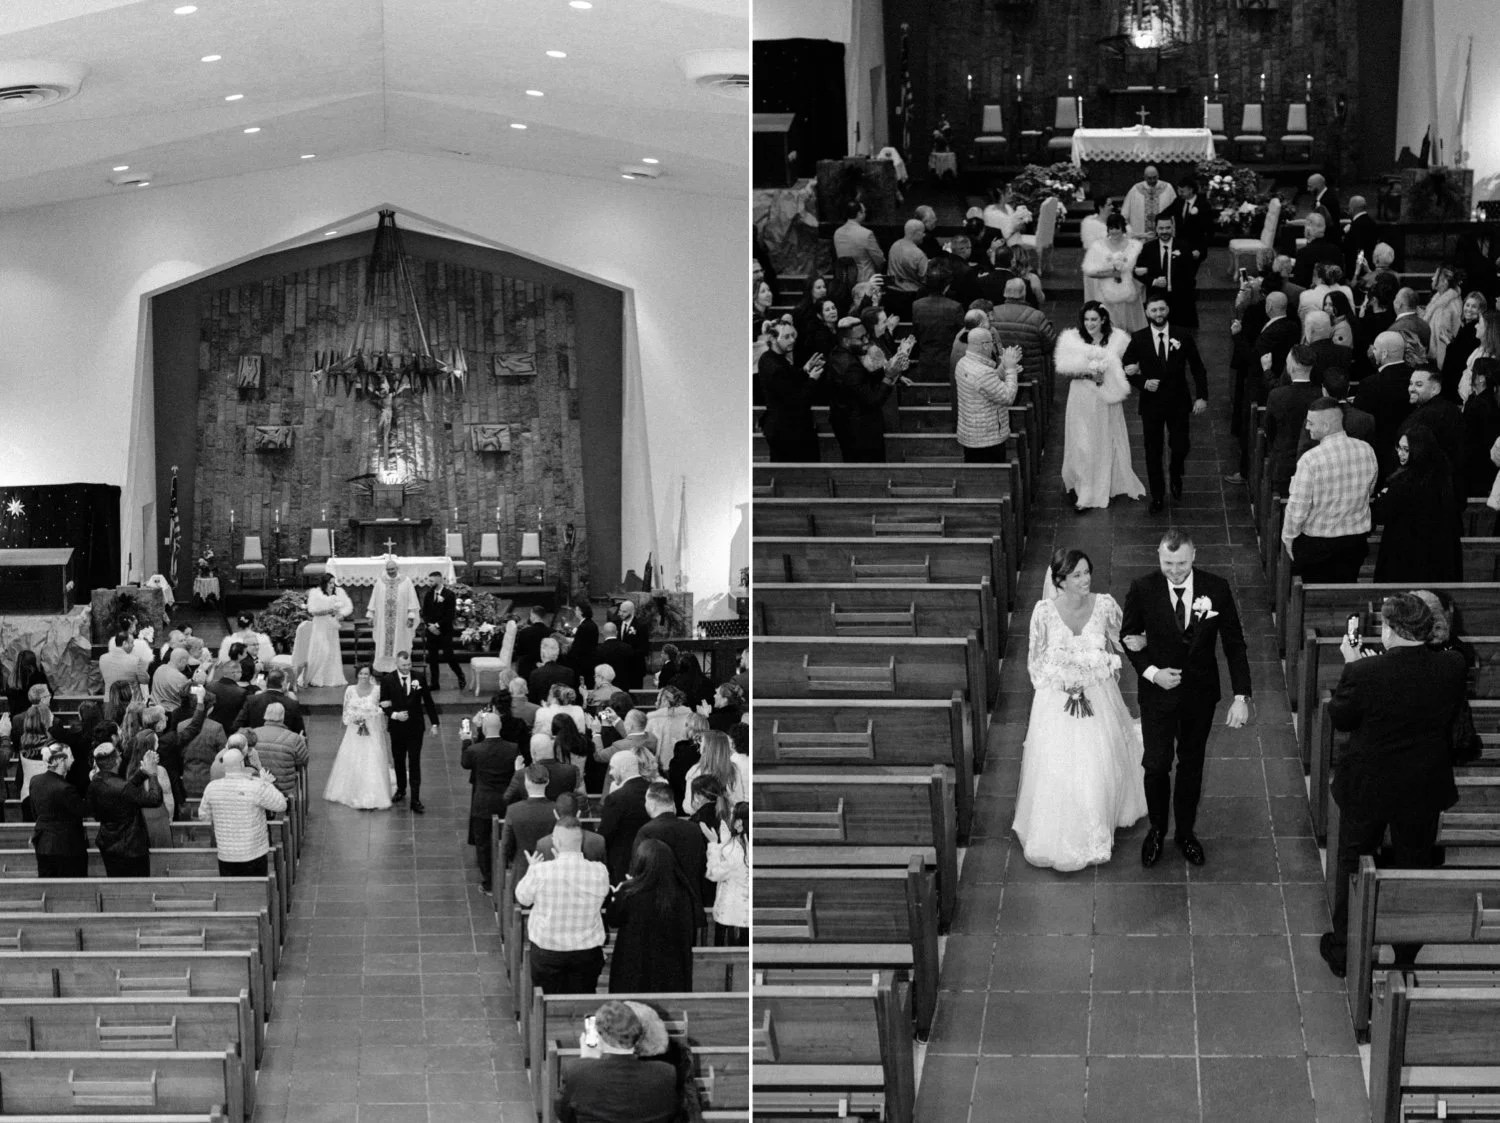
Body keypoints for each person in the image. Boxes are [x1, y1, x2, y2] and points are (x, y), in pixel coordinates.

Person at [1319, 593, 1465, 977]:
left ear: (1392, 630)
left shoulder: (1367, 673)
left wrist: (1352, 665)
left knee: (1353, 864)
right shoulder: (1452, 666)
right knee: (1412, 865)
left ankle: (1344, 951)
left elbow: (1342, 718)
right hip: (1422, 784)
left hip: (1370, 784)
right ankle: (1404, 955)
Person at [1121, 530, 1253, 867]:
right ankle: (1156, 830)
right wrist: (1152, 672)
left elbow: (1234, 644)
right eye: (1168, 563)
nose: (1175, 570)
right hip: (1157, 695)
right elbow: (1128, 637)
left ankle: (1185, 833)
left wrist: (1241, 696)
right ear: (1158, 556)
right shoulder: (1143, 588)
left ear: (1194, 556)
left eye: (1181, 563)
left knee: (1192, 765)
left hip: (1199, 695)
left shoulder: (1216, 588)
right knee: (1156, 764)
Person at [1011, 549, 1147, 870]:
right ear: (1060, 581)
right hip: (1056, 702)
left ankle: (1097, 826)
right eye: (1076, 575)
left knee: (1098, 760)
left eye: (1087, 572)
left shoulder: (1104, 606)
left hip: (1098, 697)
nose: (1085, 580)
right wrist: (1063, 682)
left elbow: (1125, 637)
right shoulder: (1043, 613)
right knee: (1058, 765)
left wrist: (1151, 644)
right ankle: (1061, 829)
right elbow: (1035, 663)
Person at [1056, 301, 1145, 512]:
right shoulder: (1073, 339)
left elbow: (1130, 364)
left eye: (1094, 319)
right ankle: (1085, 487)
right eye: (1086, 319)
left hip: (1106, 398)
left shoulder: (1118, 339)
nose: (1090, 324)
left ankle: (1107, 480)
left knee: (1105, 437)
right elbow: (1065, 368)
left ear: (1103, 319)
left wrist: (1128, 370)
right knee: (1082, 441)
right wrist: (1089, 373)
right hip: (1081, 397)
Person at [1123, 294, 1208, 512]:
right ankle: (1158, 495)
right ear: (1147, 313)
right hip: (1151, 402)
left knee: (1180, 445)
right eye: (1154, 310)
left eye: (1161, 309)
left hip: (1179, 400)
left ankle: (1176, 471)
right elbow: (1127, 368)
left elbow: (1197, 367)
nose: (1158, 314)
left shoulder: (1182, 335)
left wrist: (1202, 396)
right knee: (1152, 450)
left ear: (1167, 310)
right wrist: (1143, 382)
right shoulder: (1139, 338)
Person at [1282, 399, 1380, 582]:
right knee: (1346, 590)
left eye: (1310, 423)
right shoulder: (1366, 449)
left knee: (1310, 598)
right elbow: (1370, 489)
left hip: (1318, 545)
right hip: (1355, 542)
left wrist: (1289, 537)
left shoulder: (1311, 459)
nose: (1307, 427)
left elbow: (1298, 508)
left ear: (1326, 425)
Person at [514, 820, 610, 994]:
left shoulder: (540, 871)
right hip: (587, 952)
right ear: (580, 842)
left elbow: (523, 898)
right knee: (583, 999)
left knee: (546, 1000)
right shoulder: (600, 871)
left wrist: (532, 869)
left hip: (547, 952)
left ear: (556, 842)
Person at [553, 1000, 677, 1123]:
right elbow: (672, 1113)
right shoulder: (666, 1073)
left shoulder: (576, 1071)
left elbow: (564, 1115)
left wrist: (586, 1061)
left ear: (600, 1036)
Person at [605, 837, 695, 993]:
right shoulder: (682, 892)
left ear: (640, 862)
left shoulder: (629, 891)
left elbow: (613, 920)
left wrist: (615, 897)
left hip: (633, 965)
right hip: (670, 967)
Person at [1373, 426, 1463, 582]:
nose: (1400, 453)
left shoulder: (1403, 481)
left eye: (1406, 449)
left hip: (1404, 550)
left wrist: (1383, 496)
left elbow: (1382, 513)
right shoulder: (1445, 475)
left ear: (1418, 450)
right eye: (1399, 448)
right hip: (1439, 550)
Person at [198, 746, 288, 876]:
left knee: (232, 892)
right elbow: (281, 804)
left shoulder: (211, 788)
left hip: (226, 853)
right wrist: (267, 783)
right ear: (242, 763)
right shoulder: (256, 786)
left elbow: (203, 816)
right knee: (256, 891)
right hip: (254, 852)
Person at [86, 741, 163, 877]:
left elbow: (124, 790)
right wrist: (152, 774)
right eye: (118, 754)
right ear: (116, 761)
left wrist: (142, 772)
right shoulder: (122, 787)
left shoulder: (95, 781)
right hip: (131, 847)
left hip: (108, 843)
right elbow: (155, 799)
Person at [461, 712, 519, 891]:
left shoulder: (475, 750)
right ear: (500, 727)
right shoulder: (513, 748)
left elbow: (465, 763)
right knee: (507, 839)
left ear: (484, 729)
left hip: (483, 801)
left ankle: (488, 882)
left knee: (483, 843)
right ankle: (507, 874)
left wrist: (465, 741)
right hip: (506, 801)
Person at [634, 780, 707, 919]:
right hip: (688, 905)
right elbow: (701, 865)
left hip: (657, 906)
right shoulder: (693, 829)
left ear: (652, 805)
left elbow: (638, 869)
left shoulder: (646, 831)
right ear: (673, 805)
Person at [379, 650, 440, 813]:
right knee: (398, 760)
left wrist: (434, 723)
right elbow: (383, 703)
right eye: (403, 665)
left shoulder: (419, 677)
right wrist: (395, 715)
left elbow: (428, 700)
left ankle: (415, 799)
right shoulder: (387, 680)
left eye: (409, 664)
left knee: (414, 762)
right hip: (397, 728)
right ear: (397, 664)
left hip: (415, 727)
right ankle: (400, 789)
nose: (407, 668)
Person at [758, 321, 824, 463]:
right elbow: (796, 401)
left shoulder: (769, 357)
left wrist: (805, 370)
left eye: (792, 336)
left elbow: (789, 381)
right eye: (786, 337)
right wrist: (812, 379)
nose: (793, 340)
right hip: (788, 432)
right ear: (774, 339)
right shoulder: (775, 366)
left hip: (786, 427)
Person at [954, 327, 1021, 464]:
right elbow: (1008, 397)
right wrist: (1011, 370)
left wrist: (1004, 368)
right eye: (992, 342)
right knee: (991, 479)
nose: (994, 346)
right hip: (988, 439)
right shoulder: (983, 373)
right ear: (985, 345)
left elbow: (988, 385)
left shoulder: (962, 363)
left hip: (971, 435)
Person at [1264, 345, 1324, 496]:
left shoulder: (1277, 395)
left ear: (1290, 366)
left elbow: (1269, 429)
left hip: (1283, 461)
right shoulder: (1320, 395)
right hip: (1315, 461)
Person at [30, 743, 88, 877]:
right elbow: (83, 811)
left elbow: (35, 812)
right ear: (61, 760)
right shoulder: (65, 788)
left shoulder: (35, 781)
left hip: (43, 844)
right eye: (71, 756)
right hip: (67, 847)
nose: (73, 759)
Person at [1133, 215, 1201, 330]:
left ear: (1173, 228)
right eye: (1161, 228)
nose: (1164, 231)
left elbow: (1190, 274)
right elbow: (1137, 272)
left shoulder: (1183, 247)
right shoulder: (1148, 248)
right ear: (1156, 229)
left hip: (1180, 301)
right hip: (1156, 301)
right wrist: (1154, 281)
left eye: (1168, 228)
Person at [1081, 212, 1145, 333]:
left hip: (1129, 295)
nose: (1114, 231)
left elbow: (1141, 268)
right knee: (1110, 329)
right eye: (1111, 228)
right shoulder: (1098, 246)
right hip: (1107, 295)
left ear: (1123, 228)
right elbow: (1089, 271)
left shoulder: (1134, 246)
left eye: (1117, 228)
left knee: (1131, 330)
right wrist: (1111, 274)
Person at [702, 801, 748, 945]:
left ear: (739, 823)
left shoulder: (733, 850)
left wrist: (714, 845)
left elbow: (713, 874)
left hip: (731, 914)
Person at [367, 556, 419, 674]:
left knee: (400, 643)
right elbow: (374, 598)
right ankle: (385, 670)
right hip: (383, 622)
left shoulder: (406, 581)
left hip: (400, 621)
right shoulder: (380, 581)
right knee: (383, 644)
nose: (390, 571)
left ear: (397, 568)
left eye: (393, 569)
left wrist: (411, 616)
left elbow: (412, 600)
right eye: (388, 569)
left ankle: (400, 667)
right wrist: (370, 614)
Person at [250, 701, 308, 803]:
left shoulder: (252, 734)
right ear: (282, 717)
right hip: (284, 789)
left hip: (257, 786)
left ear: (265, 715)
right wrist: (302, 743)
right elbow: (303, 761)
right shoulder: (294, 738)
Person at [302, 573, 352, 687]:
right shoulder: (315, 593)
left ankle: (330, 678)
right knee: (321, 649)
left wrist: (341, 614)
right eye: (330, 583)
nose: (332, 585)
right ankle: (315, 677)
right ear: (324, 583)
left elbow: (348, 607)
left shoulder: (339, 592)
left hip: (331, 626)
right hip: (319, 625)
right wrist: (328, 611)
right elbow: (312, 611)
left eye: (333, 583)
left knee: (331, 651)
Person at [419, 570, 465, 691]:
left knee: (448, 655)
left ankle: (460, 675)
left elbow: (450, 615)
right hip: (431, 631)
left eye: (431, 581)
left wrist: (437, 626)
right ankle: (435, 683)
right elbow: (425, 613)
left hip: (444, 631)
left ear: (439, 580)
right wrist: (430, 626)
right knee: (432, 658)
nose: (429, 583)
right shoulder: (429, 594)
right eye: (429, 580)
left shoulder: (449, 595)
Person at [1462, 358, 1500, 497]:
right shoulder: (1489, 401)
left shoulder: (1479, 405)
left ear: (1481, 378)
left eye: (1473, 372)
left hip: (1477, 467)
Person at [233, 667, 305, 734]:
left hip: (256, 742)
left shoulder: (252, 700)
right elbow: (300, 732)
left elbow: (237, 725)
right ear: (283, 684)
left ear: (267, 681)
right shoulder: (292, 703)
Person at [832, 200, 884, 284]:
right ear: (859, 214)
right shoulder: (867, 234)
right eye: (864, 212)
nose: (865, 214)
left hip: (845, 280)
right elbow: (879, 260)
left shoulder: (837, 233)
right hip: (865, 282)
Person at [1423, 265, 1464, 368]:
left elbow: (1443, 342)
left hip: (1439, 361)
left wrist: (1440, 368)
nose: (1432, 278)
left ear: (1445, 281)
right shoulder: (1440, 300)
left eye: (1435, 276)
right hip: (1435, 357)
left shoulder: (1446, 307)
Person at [1121, 164, 1175, 238]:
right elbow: (1125, 213)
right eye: (1149, 178)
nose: (1152, 180)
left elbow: (1176, 210)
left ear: (1158, 175)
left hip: (1163, 233)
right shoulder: (1135, 189)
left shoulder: (1168, 188)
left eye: (1155, 177)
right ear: (1144, 177)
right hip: (1142, 234)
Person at [1293, 212, 1345, 288]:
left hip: (1310, 295)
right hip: (1334, 292)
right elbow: (1340, 276)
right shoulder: (1336, 250)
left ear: (1308, 231)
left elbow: (1299, 282)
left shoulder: (1303, 253)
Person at [529, 637, 578, 705]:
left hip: (542, 712)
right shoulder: (569, 672)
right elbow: (572, 697)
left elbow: (532, 700)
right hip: (563, 712)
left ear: (542, 653)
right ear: (557, 654)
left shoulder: (535, 674)